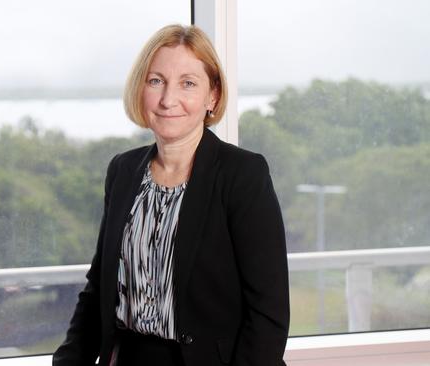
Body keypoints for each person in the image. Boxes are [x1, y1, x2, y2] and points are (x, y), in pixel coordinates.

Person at [53, 24, 289, 366]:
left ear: (213, 96)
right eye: (156, 81)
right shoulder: (122, 170)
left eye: (188, 83)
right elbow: (98, 290)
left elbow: (268, 313)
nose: (167, 99)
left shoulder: (242, 175)